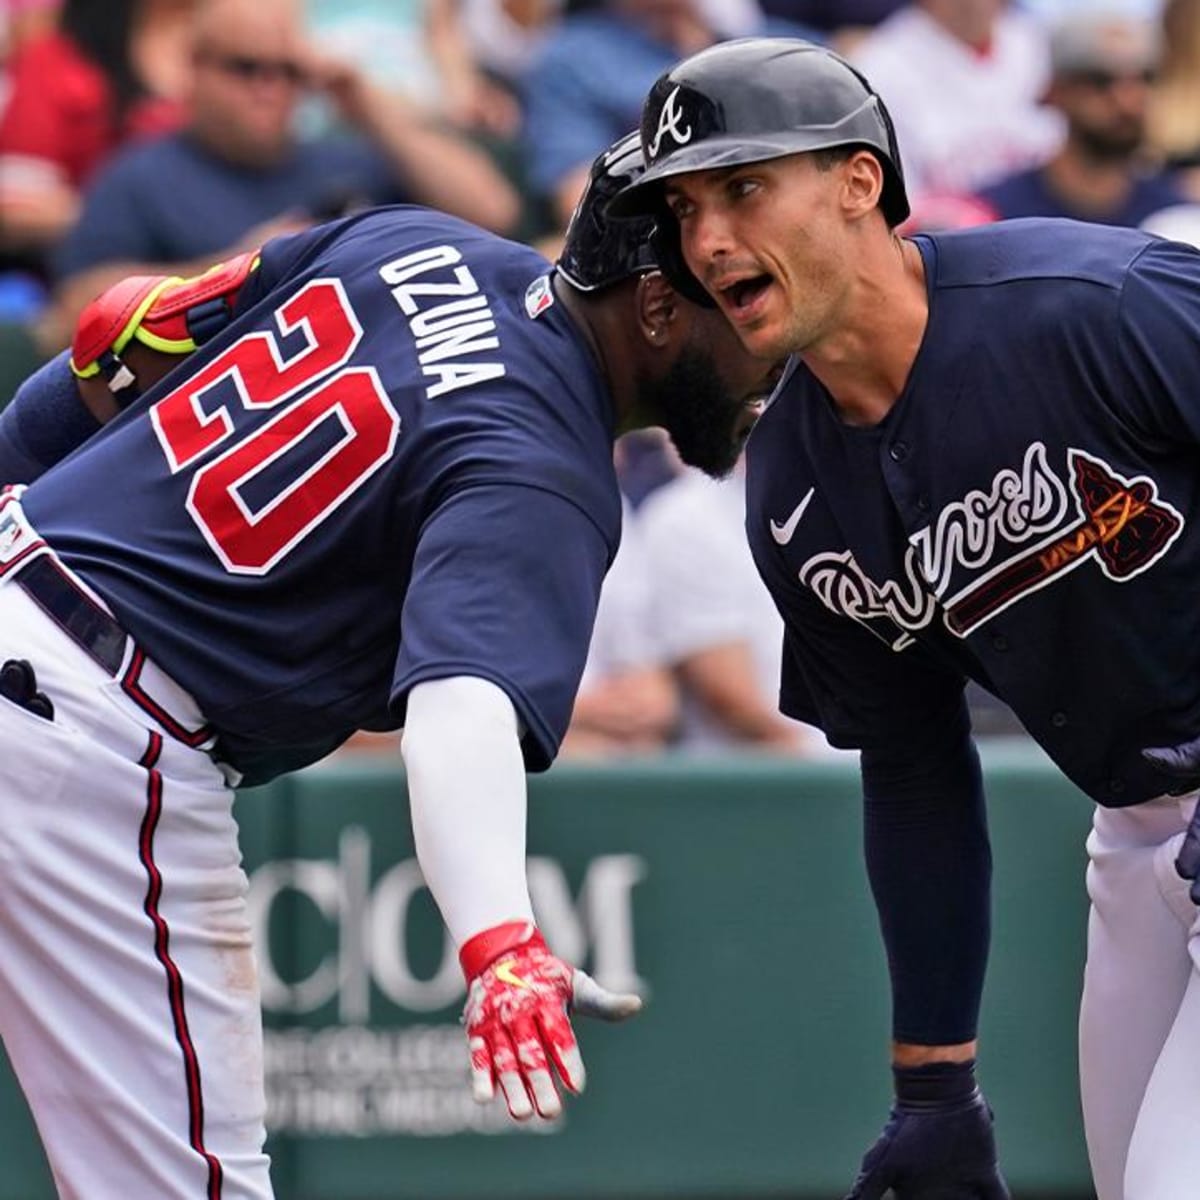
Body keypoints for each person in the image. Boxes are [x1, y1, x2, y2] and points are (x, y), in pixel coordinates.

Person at [0, 132, 782, 1196]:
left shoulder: (412, 239)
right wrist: (499, 940)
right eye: (742, 303)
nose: (771, 346)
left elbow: (119, 337)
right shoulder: (542, 467)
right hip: (87, 738)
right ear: (655, 306)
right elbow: (461, 707)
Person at [612, 35, 1200, 1200]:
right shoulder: (790, 485)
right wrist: (934, 1082)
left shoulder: (1096, 303)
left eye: (742, 187)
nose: (709, 239)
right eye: (681, 210)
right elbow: (917, 766)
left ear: (858, 180)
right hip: (1136, 834)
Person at [46, 0, 520, 347]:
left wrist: (367, 105)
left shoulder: (345, 156)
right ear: (195, 70)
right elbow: (74, 313)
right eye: (246, 68)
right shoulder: (140, 174)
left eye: (289, 72)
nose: (269, 89)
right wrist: (236, 272)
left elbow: (492, 212)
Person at [974, 10, 1188, 228]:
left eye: (1145, 79)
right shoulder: (994, 214)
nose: (1127, 100)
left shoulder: (1177, 218)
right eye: (1100, 80)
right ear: (1056, 91)